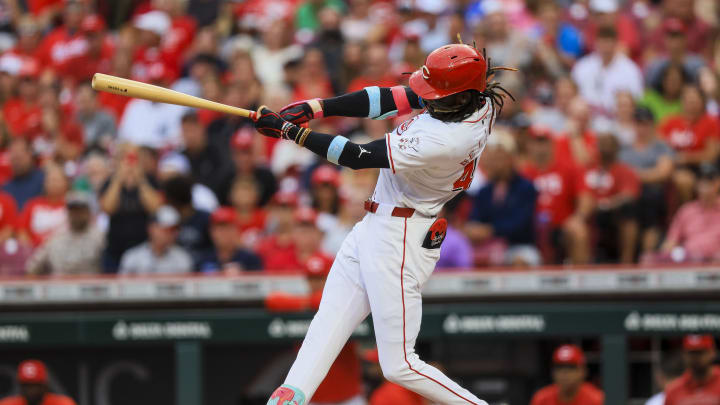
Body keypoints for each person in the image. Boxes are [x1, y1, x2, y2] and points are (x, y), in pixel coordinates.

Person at [257, 42, 513, 405]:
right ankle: (288, 398)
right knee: (325, 327)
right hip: (377, 225)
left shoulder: (445, 139)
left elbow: (357, 157)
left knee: (400, 365)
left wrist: (290, 133)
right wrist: (317, 108)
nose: (428, 98)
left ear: (463, 96)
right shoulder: (477, 102)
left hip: (401, 237)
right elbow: (392, 98)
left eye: (439, 94)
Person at [265, 256, 365, 405]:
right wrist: (307, 302)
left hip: (347, 397)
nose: (315, 284)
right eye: (312, 279)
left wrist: (305, 303)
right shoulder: (305, 302)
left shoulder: (344, 301)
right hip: (312, 397)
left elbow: (320, 300)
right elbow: (272, 300)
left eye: (320, 278)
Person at [465, 133, 540, 266]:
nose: (495, 163)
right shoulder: (485, 190)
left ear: (511, 159)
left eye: (500, 158)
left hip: (518, 246)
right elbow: (475, 217)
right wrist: (472, 229)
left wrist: (491, 230)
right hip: (488, 246)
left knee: (519, 261)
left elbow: (520, 223)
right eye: (493, 159)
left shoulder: (526, 188)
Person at [619, 107, 674, 255]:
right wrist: (642, 175)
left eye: (645, 123)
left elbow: (663, 172)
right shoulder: (624, 149)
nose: (641, 128)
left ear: (652, 125)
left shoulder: (661, 147)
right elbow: (617, 174)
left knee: (650, 202)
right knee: (627, 206)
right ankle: (627, 260)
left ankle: (647, 257)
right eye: (638, 123)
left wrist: (634, 175)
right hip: (628, 194)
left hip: (652, 193)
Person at [99, 145, 163, 272]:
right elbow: (107, 208)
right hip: (115, 248)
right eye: (124, 159)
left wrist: (140, 180)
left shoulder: (150, 180)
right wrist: (118, 179)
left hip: (143, 249)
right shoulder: (109, 182)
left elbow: (155, 207)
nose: (129, 164)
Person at [580, 134, 640, 263]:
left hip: (613, 214)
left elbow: (629, 195)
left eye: (610, 145)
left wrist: (607, 204)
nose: (606, 148)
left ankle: (626, 261)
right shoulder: (587, 169)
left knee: (628, 211)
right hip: (588, 212)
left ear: (617, 149)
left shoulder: (625, 170)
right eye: (602, 144)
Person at [25, 192, 104, 275]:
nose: (76, 215)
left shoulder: (99, 237)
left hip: (89, 285)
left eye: (80, 210)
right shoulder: (56, 238)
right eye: (73, 211)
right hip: (58, 285)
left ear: (88, 212)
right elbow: (32, 268)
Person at [571, 25, 643, 115]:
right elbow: (573, 97)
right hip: (587, 120)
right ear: (596, 43)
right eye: (603, 42)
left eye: (609, 42)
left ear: (616, 43)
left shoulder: (630, 70)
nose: (606, 47)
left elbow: (637, 99)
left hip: (617, 121)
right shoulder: (582, 67)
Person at [660, 164, 720, 263]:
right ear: (697, 184)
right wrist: (666, 254)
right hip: (690, 262)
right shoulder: (686, 210)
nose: (706, 185)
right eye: (702, 181)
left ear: (718, 183)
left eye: (710, 181)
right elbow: (671, 241)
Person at [119, 205, 193, 275]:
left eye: (175, 230)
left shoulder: (182, 258)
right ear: (152, 229)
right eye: (167, 229)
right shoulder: (132, 257)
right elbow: (121, 286)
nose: (173, 234)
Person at [529, 344, 604, 405]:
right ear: (552, 372)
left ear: (583, 371)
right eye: (560, 367)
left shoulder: (597, 399)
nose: (565, 373)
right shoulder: (542, 399)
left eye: (571, 367)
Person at [196, 207, 262, 273]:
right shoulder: (203, 258)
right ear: (211, 232)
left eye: (228, 228)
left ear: (236, 230)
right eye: (220, 229)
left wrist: (242, 273)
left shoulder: (250, 259)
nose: (224, 233)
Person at [664, 335, 720, 405]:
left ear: (712, 352)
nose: (695, 357)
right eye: (691, 353)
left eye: (700, 352)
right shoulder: (673, 391)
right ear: (684, 354)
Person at [0, 360, 76, 405]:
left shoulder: (62, 403)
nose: (30, 390)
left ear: (44, 386)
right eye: (26, 385)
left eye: (34, 385)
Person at [2, 138, 44, 210]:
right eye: (14, 158)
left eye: (19, 157)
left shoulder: (45, 180)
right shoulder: (5, 189)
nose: (17, 162)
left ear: (30, 154)